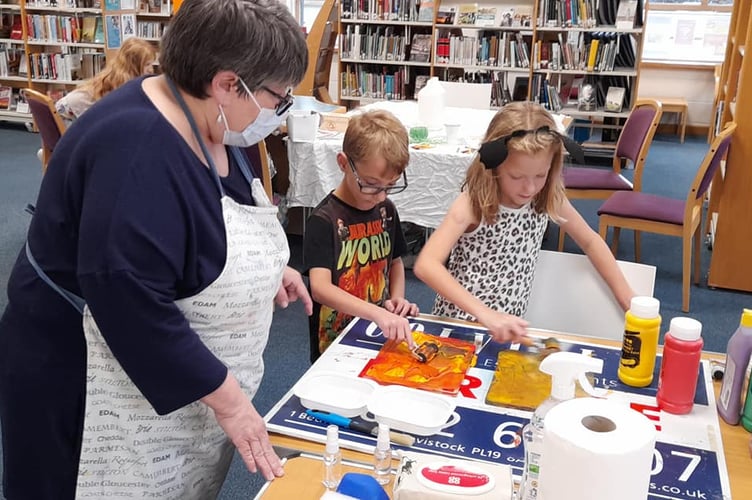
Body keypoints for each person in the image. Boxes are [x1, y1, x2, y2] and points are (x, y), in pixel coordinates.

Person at [0, 0, 310, 498]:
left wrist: (268, 267)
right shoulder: (135, 149)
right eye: (279, 97)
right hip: (82, 375)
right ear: (228, 84)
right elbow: (127, 295)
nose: (279, 111)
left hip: (163, 381)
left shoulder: (206, 116)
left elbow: (215, 218)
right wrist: (228, 400)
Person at [413, 101, 634, 343]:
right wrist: (486, 314)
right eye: (516, 176)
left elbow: (590, 241)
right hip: (460, 327)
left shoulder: (548, 196)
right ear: (494, 165)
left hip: (509, 330)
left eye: (541, 175)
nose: (529, 187)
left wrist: (628, 298)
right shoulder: (473, 203)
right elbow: (427, 264)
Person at [303, 110, 419, 363]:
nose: (380, 196)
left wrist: (397, 299)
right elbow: (320, 289)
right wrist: (375, 314)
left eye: (390, 186)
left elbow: (395, 261)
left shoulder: (386, 210)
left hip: (377, 333)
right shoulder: (324, 220)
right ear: (344, 163)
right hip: (333, 346)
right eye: (370, 184)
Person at [55, 37, 157, 126]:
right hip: (68, 116)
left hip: (62, 111)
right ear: (133, 65)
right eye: (147, 64)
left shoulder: (114, 72)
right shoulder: (125, 82)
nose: (151, 69)